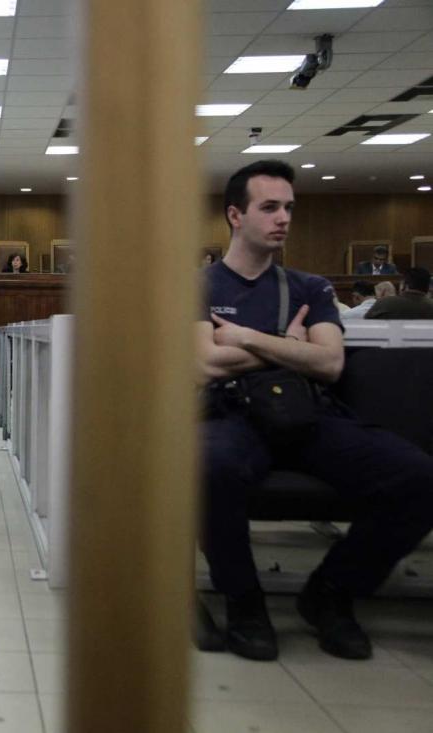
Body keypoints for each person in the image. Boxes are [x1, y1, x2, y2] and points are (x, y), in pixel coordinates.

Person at [198, 159, 433, 662]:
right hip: (233, 413)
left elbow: (329, 363)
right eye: (269, 207)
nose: (283, 218)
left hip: (307, 413)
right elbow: (206, 363)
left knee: (417, 477)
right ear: (236, 215)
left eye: (289, 208)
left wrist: (245, 338)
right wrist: (290, 345)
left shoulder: (310, 287)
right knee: (210, 466)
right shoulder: (199, 286)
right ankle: (244, 603)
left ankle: (331, 593)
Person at [365, 268, 433, 320]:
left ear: (405, 285)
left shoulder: (383, 303)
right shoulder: (430, 306)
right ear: (428, 287)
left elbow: (367, 323)